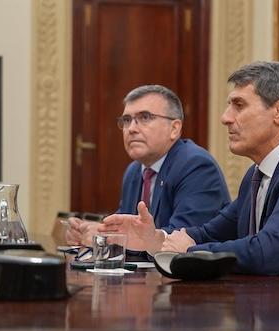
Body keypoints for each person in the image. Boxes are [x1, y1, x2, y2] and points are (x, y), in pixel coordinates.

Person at [101, 62, 279, 282]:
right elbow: (210, 232)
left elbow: (266, 251)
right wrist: (156, 239)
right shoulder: (258, 173)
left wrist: (190, 250)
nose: (225, 117)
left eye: (239, 105)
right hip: (269, 312)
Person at [66, 85, 230, 250]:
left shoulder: (196, 166)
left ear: (174, 128)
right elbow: (125, 226)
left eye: (144, 117)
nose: (131, 129)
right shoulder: (134, 170)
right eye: (127, 120)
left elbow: (183, 238)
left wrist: (106, 237)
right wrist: (89, 230)